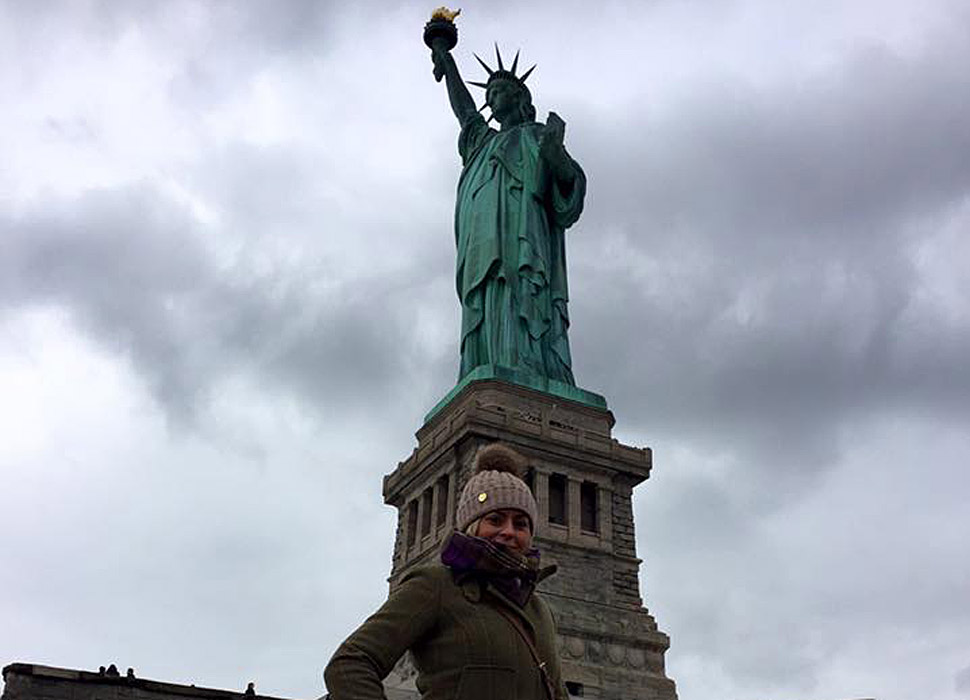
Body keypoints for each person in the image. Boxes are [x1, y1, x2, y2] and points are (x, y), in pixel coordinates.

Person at [324, 443, 568, 700]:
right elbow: (349, 664)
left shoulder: (539, 609)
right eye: (495, 520)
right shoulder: (437, 585)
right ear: (471, 526)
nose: (509, 531)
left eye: (520, 524)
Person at [431, 43, 587, 386]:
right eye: (489, 92)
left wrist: (555, 156)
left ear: (519, 97)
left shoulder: (535, 136)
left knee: (520, 297)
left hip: (523, 240)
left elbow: (569, 187)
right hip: (483, 247)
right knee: (488, 306)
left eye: (500, 90)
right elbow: (465, 112)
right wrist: (447, 61)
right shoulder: (481, 143)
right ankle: (488, 367)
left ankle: (530, 368)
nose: (492, 97)